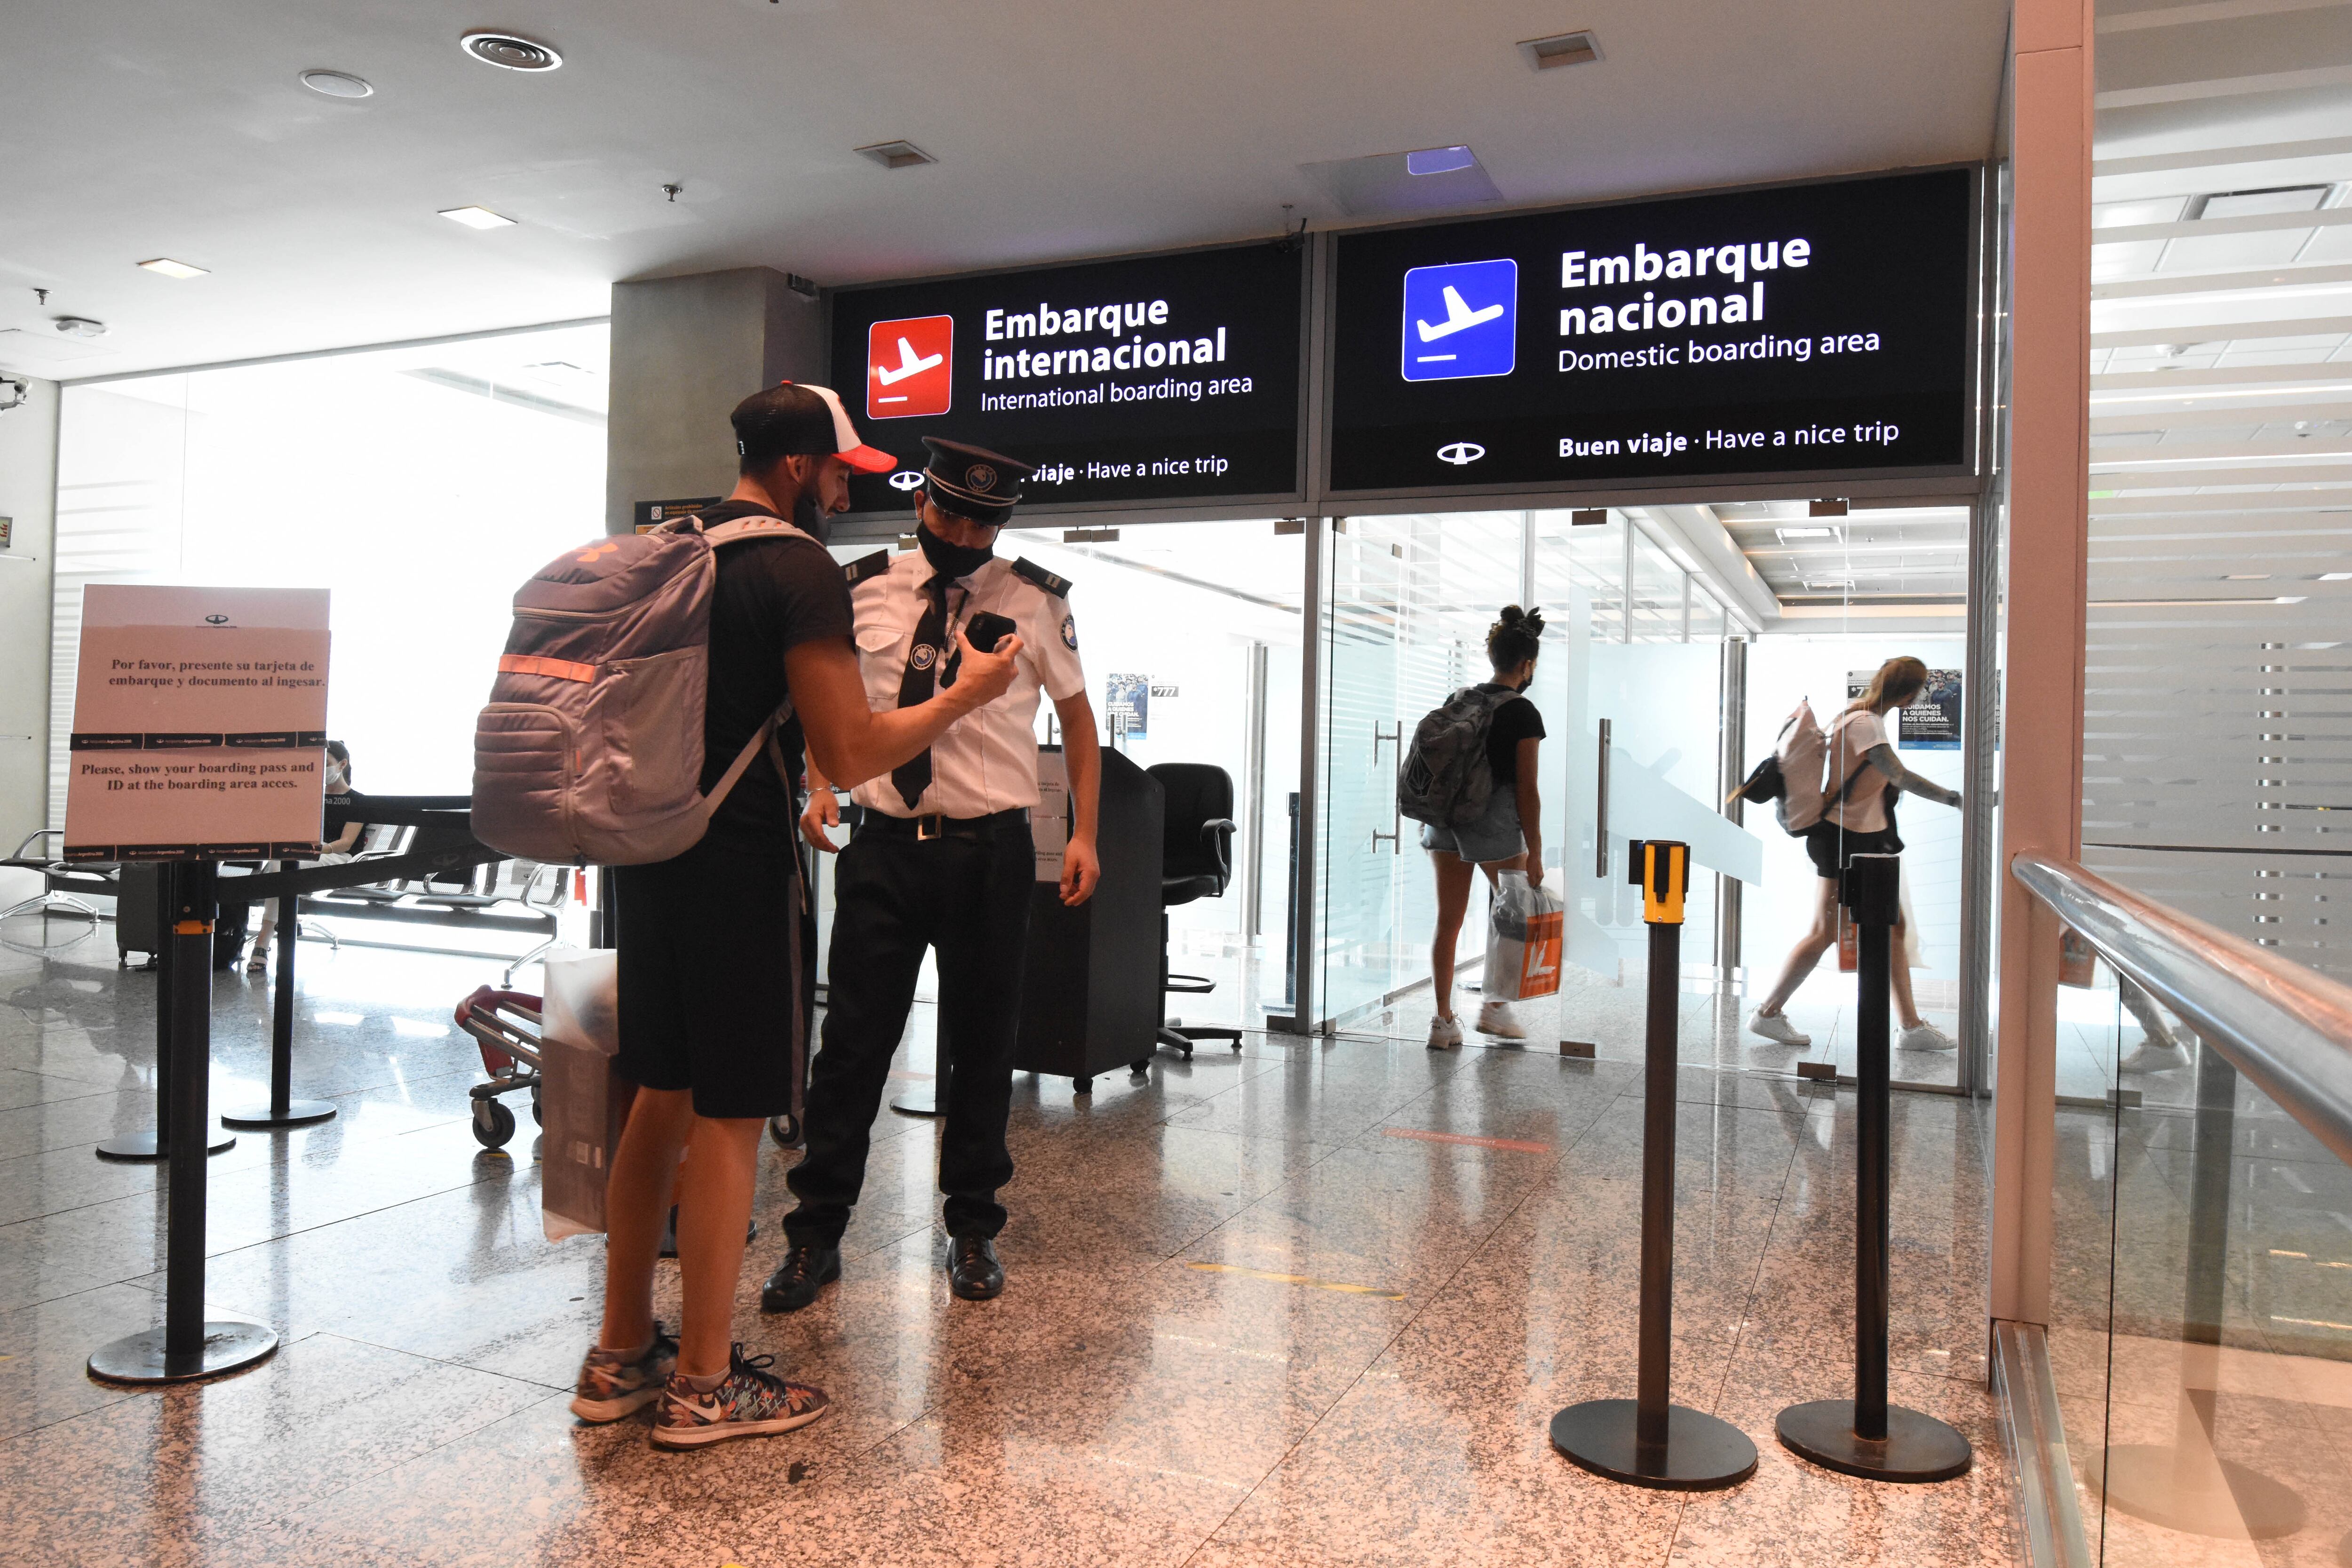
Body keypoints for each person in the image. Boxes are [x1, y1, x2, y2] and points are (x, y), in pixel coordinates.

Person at [572, 384, 1025, 1451]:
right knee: (730, 1118)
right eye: (836, 472)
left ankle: (619, 1353)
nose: (841, 489)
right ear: (793, 469)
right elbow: (857, 751)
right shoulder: (794, 569)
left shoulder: (672, 548)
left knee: (660, 1097)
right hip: (736, 870)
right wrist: (968, 695)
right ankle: (704, 1382)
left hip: (653, 859)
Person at [763, 437, 1100, 1314]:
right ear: (922, 502)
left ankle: (975, 1227)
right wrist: (820, 781)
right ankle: (817, 1234)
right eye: (950, 511)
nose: (963, 529)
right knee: (853, 1047)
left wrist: (1084, 833)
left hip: (989, 848)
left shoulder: (1033, 601)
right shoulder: (861, 587)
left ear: (1003, 524)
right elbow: (822, 701)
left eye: (983, 520)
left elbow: (1078, 717)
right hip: (883, 846)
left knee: (986, 1043)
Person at [1748, 655, 1962, 1052]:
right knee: (1824, 932)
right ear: (1908, 693)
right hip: (1848, 841)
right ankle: (1768, 1012)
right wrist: (1955, 799)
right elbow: (1899, 775)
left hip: (1863, 839)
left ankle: (1911, 1026)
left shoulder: (1859, 717)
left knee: (1893, 929)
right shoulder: (1865, 723)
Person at [1423, 606, 1547, 1050]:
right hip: (1492, 823)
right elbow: (1526, 789)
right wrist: (1534, 849)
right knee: (1513, 914)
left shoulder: (1460, 700)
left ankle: (1442, 1022)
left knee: (1448, 922)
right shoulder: (1522, 713)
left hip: (1444, 824)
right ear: (1526, 664)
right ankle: (1495, 1009)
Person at [246, 741, 359, 974]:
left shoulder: (358, 801)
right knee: (283, 866)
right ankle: (287, 919)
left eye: (326, 764)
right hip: (305, 857)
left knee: (282, 867)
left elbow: (346, 843)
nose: (321, 770)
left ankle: (263, 942)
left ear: (342, 765)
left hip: (338, 858)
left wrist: (317, 850)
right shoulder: (311, 798)